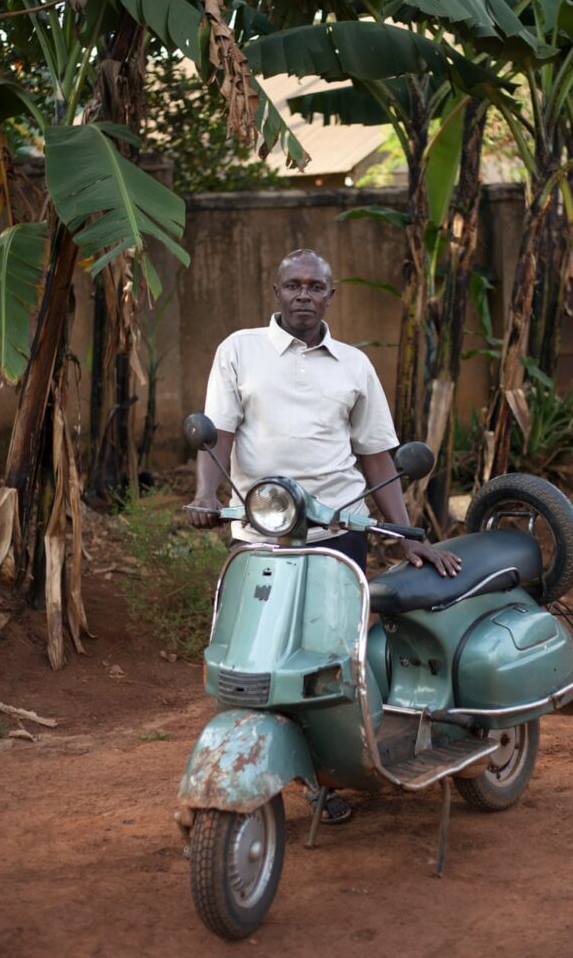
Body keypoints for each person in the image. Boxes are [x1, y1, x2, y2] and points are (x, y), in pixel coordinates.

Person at [188, 248, 461, 821]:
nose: (304, 295)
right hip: (264, 531)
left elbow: (377, 456)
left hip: (340, 531)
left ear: (331, 296)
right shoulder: (239, 350)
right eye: (294, 285)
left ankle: (329, 778)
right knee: (257, 657)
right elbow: (220, 434)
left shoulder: (353, 365)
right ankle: (274, 763)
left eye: (315, 286)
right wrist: (206, 496)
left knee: (330, 659)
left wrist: (405, 531)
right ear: (276, 290)